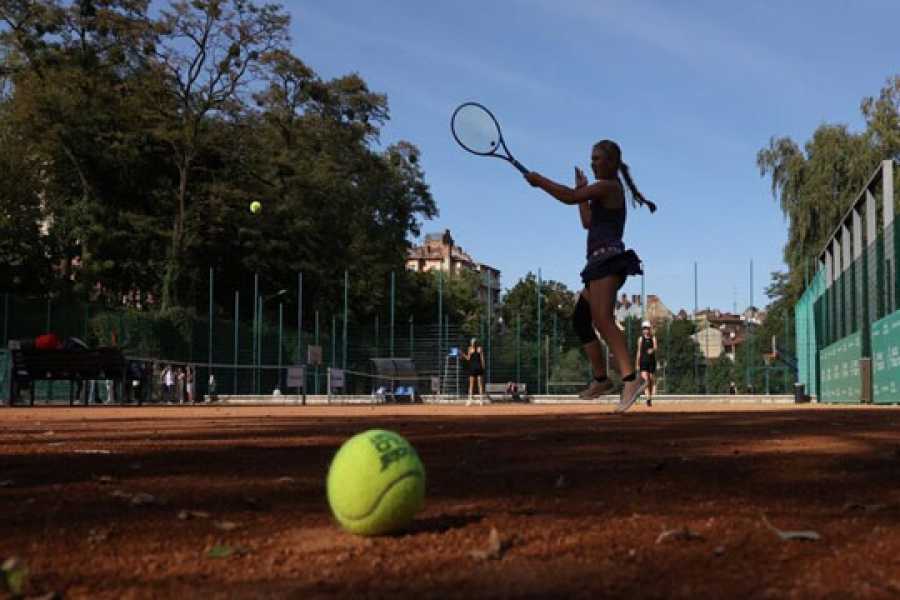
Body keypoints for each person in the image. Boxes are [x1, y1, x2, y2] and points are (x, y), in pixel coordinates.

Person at [525, 140, 656, 413]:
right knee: (581, 319)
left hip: (608, 262)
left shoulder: (609, 186)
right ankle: (601, 379)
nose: (592, 162)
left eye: (597, 158)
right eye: (591, 158)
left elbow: (568, 197)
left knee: (603, 319)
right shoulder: (601, 190)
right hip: (597, 264)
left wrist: (540, 181)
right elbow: (587, 221)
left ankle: (631, 380)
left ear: (612, 162)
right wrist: (582, 194)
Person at [636, 321, 658, 407]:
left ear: (649, 329)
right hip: (643, 362)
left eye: (647, 328)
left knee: (651, 379)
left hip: (651, 362)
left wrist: (652, 349)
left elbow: (656, 347)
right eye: (644, 328)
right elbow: (639, 351)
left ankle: (650, 397)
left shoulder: (653, 338)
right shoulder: (641, 339)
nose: (645, 330)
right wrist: (637, 363)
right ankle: (648, 399)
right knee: (646, 381)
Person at [463, 338, 487, 406]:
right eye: (472, 342)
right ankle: (476, 400)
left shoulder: (473, 349)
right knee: (476, 385)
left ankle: (476, 400)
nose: (473, 343)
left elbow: (481, 359)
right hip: (476, 368)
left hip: (475, 368)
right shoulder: (477, 349)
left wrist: (463, 355)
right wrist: (463, 355)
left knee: (475, 385)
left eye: (473, 342)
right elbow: (481, 359)